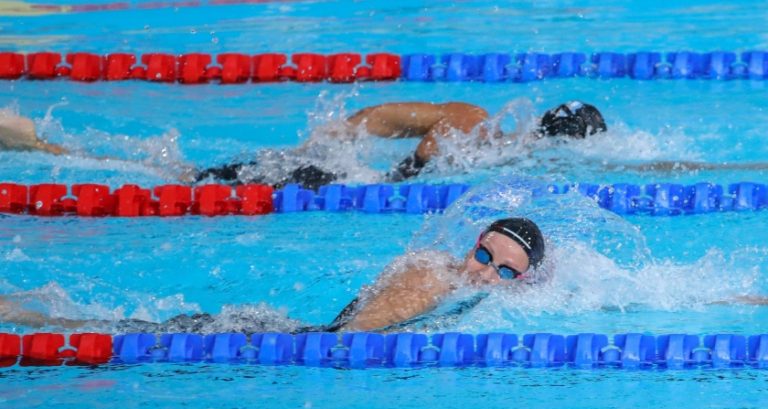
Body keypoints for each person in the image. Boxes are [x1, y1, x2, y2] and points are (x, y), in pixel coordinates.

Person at [0, 217, 546, 333]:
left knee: (128, 328)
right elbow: (349, 342)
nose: (485, 274)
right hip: (273, 341)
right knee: (111, 333)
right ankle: (21, 316)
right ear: (468, 247)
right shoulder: (429, 277)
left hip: (277, 331)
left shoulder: (449, 279)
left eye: (503, 271)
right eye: (483, 256)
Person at [0, 101, 607, 189]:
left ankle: (44, 148)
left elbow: (383, 114)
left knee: (189, 174)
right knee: (186, 181)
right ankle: (40, 150)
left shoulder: (479, 131)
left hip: (329, 170)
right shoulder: (473, 127)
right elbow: (406, 134)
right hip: (321, 171)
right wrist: (332, 141)